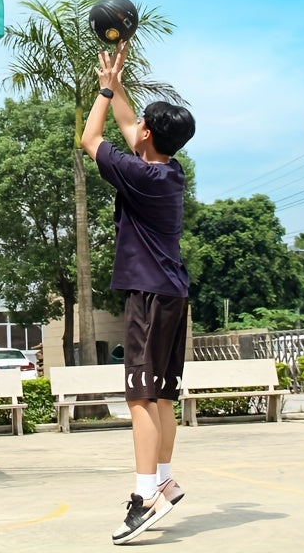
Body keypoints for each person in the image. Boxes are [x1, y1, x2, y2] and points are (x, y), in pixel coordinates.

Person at [80, 40, 196, 546]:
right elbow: (132, 129)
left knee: (140, 400)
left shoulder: (138, 173)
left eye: (142, 126)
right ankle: (165, 478)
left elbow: (91, 137)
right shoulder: (167, 171)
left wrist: (105, 90)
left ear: (149, 135)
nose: (136, 129)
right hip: (171, 293)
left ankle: (145, 495)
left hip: (148, 297)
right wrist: (118, 79)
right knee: (163, 397)